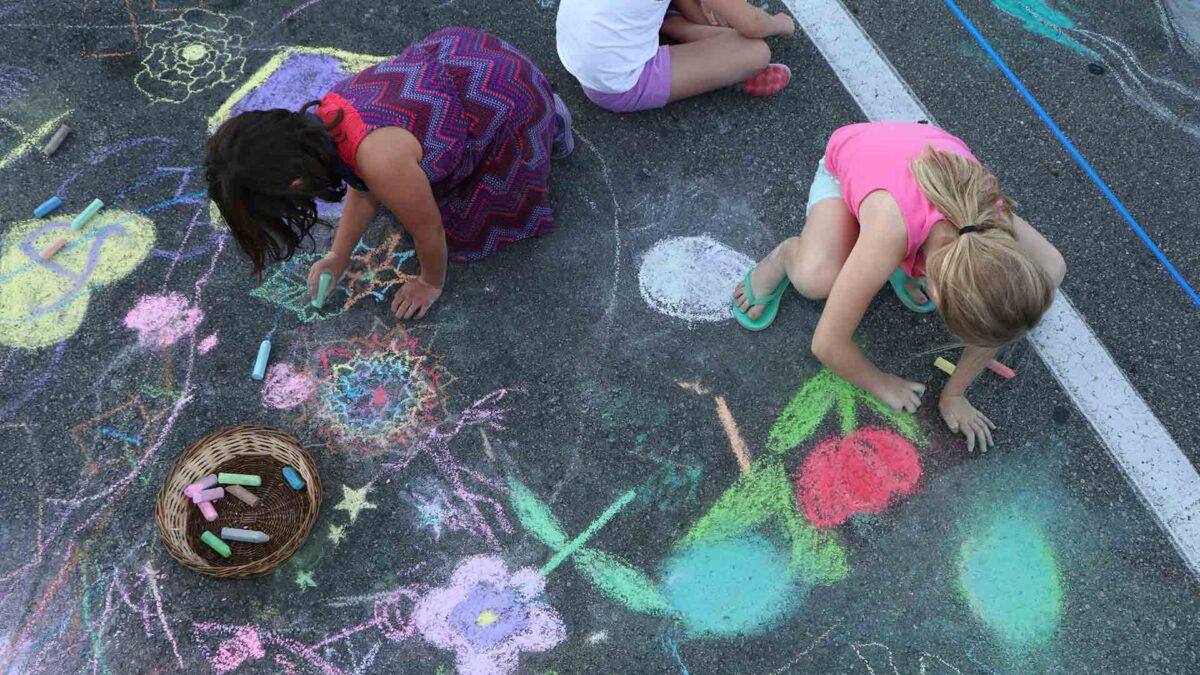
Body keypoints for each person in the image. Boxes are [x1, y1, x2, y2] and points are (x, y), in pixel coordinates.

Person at [732, 122, 1067, 452]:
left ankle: (897, 266)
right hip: (856, 158)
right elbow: (827, 343)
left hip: (913, 161)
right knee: (816, 279)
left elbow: (1050, 269)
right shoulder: (890, 231)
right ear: (934, 291)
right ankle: (781, 258)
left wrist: (954, 394)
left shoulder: (985, 224)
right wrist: (881, 384)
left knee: (1004, 304)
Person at [205, 27, 573, 319]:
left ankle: (548, 119)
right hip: (468, 57)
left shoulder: (381, 161)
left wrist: (430, 282)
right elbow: (364, 188)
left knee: (467, 224)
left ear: (295, 184)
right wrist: (339, 255)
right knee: (401, 193)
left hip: (505, 96)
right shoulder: (327, 118)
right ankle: (537, 105)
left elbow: (429, 230)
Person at [556, 0, 795, 114]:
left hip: (574, 51)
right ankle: (678, 28)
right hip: (618, 85)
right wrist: (780, 24)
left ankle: (672, 24)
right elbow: (753, 24)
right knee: (755, 52)